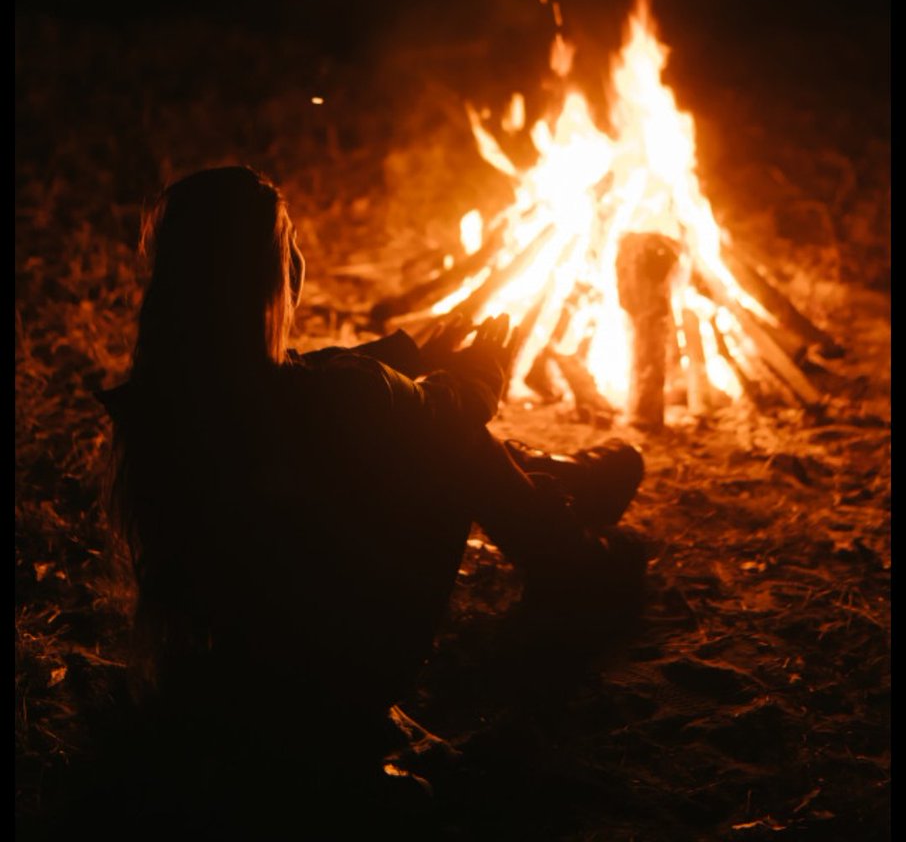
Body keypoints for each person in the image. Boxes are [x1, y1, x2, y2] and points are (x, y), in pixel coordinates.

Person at [100, 165, 645, 829]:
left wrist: (414, 350)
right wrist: (482, 372)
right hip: (341, 672)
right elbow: (439, 410)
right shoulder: (329, 397)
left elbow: (321, 373)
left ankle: (550, 490)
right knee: (450, 437)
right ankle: (569, 560)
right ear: (270, 276)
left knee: (418, 420)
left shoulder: (179, 393)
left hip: (237, 665)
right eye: (288, 244)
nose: (299, 258)